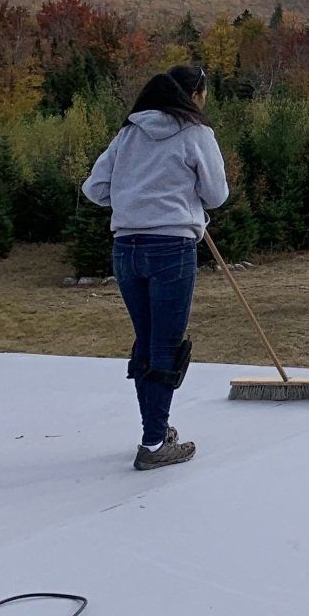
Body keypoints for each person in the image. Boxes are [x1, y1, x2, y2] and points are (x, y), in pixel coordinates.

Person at [83, 65, 228, 470]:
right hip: (171, 249)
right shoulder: (197, 134)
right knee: (166, 346)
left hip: (126, 248)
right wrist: (176, 201)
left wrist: (135, 199)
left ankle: (156, 431)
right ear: (194, 95)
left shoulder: (128, 133)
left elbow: (95, 188)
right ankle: (153, 444)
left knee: (146, 341)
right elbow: (216, 195)